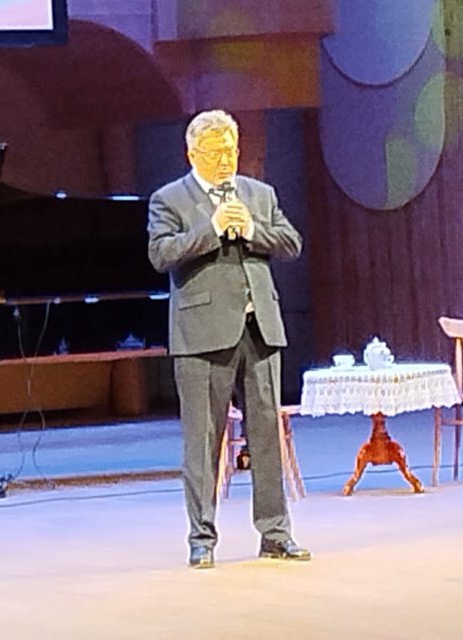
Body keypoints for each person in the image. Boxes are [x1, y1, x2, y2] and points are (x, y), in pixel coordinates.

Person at [147, 109, 310, 569]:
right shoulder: (169, 199)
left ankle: (275, 533)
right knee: (203, 441)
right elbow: (160, 254)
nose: (225, 160)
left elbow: (291, 243)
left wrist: (253, 230)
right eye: (216, 152)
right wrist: (212, 228)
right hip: (202, 335)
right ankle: (201, 539)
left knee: (266, 436)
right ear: (192, 154)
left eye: (231, 151)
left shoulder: (259, 194)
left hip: (260, 329)